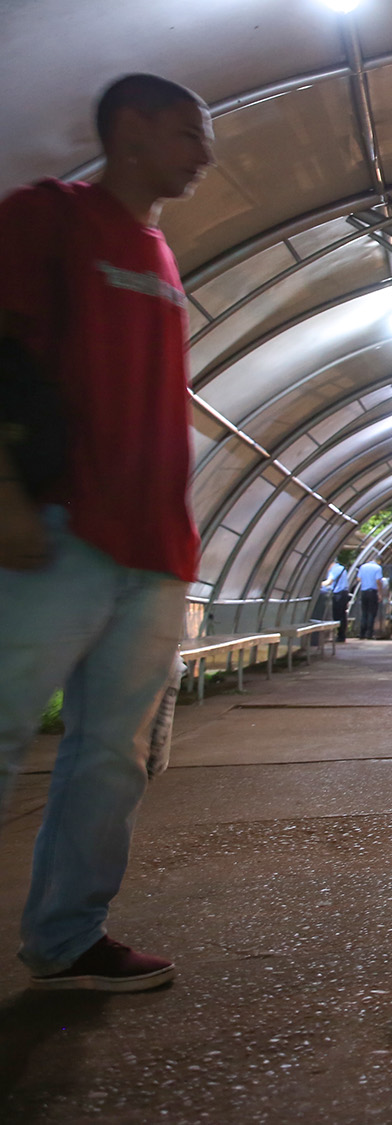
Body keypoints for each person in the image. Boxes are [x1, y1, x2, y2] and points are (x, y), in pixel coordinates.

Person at [0, 74, 213, 992]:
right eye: (184, 133)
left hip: (154, 546)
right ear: (128, 129)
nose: (203, 154)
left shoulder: (159, 251)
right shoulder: (47, 217)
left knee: (113, 755)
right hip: (59, 524)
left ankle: (67, 933)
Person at [321, 555, 353, 641]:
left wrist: (317, 585)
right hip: (344, 593)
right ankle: (341, 635)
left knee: (337, 615)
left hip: (338, 594)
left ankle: (339, 635)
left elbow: (329, 582)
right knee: (342, 614)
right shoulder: (341, 568)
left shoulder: (335, 569)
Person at [354, 556, 384, 639]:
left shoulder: (363, 567)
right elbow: (378, 581)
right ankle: (369, 633)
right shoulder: (378, 568)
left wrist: (366, 580)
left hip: (364, 592)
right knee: (371, 613)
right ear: (379, 561)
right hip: (373, 592)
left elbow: (358, 578)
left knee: (364, 613)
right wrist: (380, 593)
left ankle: (362, 633)